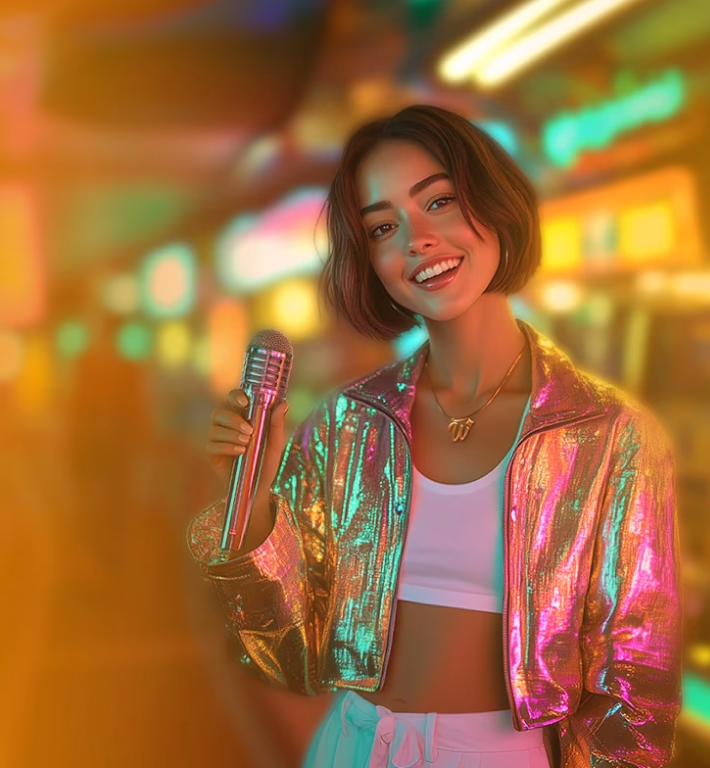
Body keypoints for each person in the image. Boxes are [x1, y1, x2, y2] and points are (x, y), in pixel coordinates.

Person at [189, 104, 682, 767]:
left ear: (493, 202)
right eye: (384, 226)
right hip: (353, 745)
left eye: (440, 202)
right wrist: (248, 500)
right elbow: (286, 656)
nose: (416, 240)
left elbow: (638, 685)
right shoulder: (344, 425)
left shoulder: (610, 436)